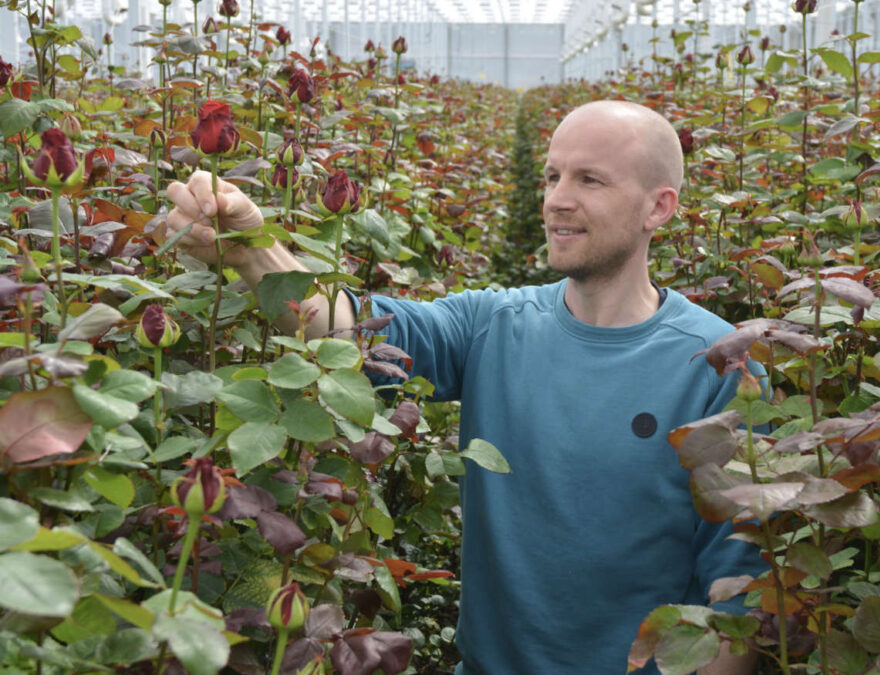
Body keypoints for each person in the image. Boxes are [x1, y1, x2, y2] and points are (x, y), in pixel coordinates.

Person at [165, 100, 765, 674]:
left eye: (590, 181)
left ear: (658, 208)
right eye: (553, 175)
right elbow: (347, 329)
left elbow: (733, 594)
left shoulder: (716, 367)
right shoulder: (493, 325)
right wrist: (251, 248)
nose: (557, 199)